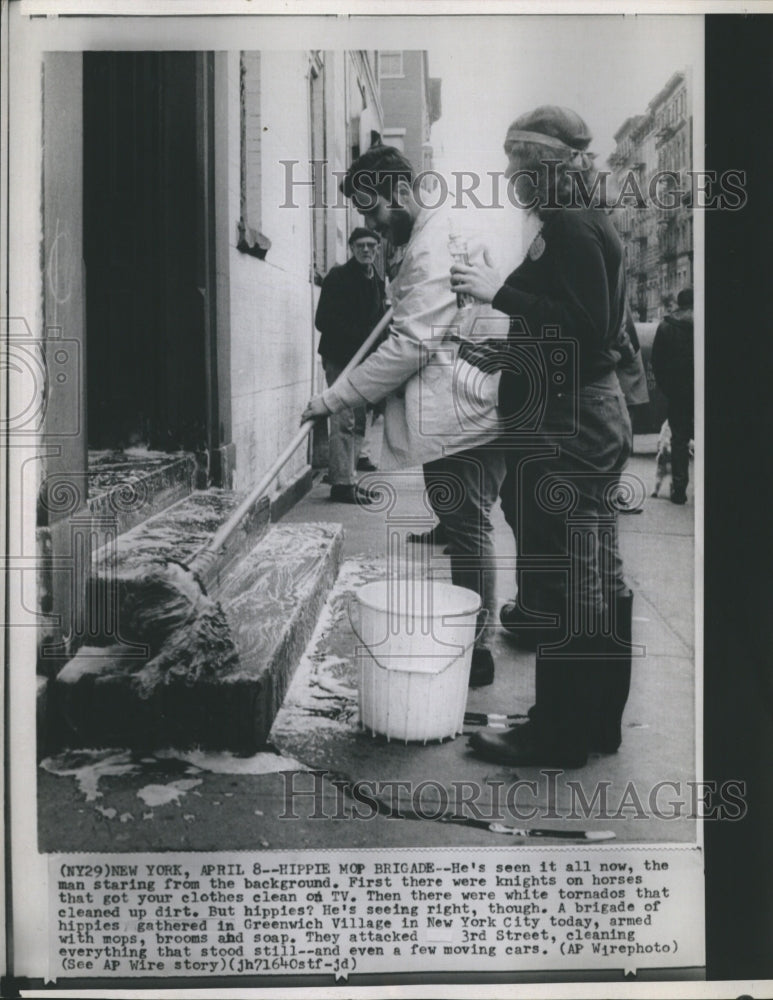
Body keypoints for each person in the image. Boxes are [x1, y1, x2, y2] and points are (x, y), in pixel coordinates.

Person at [450, 106, 635, 767]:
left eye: (517, 162)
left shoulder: (571, 224)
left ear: (546, 166)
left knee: (566, 575)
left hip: (571, 422)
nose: (509, 175)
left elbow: (586, 328)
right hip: (582, 410)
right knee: (595, 571)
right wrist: (511, 355)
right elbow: (581, 330)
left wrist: (496, 292)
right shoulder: (582, 220)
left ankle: (557, 733)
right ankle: (596, 724)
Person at [302, 145, 505, 687]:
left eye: (373, 212)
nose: (372, 226)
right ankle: (474, 639)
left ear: (397, 191)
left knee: (467, 527)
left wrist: (334, 398)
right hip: (465, 405)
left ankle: (477, 647)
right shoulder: (429, 235)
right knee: (466, 524)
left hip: (464, 412)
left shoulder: (432, 245)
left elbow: (412, 345)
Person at [315, 227, 387, 504]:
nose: (366, 250)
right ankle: (341, 485)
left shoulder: (376, 281)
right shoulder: (338, 277)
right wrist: (359, 337)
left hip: (363, 363)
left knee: (358, 422)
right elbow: (323, 320)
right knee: (343, 420)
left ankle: (350, 478)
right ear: (351, 248)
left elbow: (379, 323)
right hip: (339, 359)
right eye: (360, 245)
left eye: (371, 245)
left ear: (377, 249)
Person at [651, 287, 694, 504]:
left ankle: (679, 489)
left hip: (678, 392)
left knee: (679, 439)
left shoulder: (666, 327)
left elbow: (656, 362)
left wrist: (667, 388)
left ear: (679, 303)